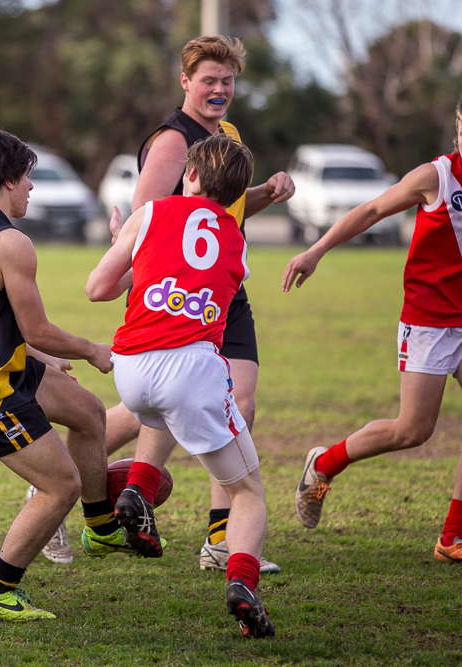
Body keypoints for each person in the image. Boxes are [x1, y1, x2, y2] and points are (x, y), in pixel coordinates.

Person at [105, 34, 293, 574]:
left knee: (239, 406)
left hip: (225, 288)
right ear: (185, 82)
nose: (219, 89)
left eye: (227, 81)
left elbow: (219, 214)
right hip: (180, 296)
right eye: (208, 80)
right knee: (173, 398)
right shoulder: (171, 142)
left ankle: (219, 540)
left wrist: (267, 193)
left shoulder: (227, 134)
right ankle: (72, 478)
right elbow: (149, 225)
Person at [0, 129, 136, 622]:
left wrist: (38, 359)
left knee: (89, 413)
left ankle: (102, 527)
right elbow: (38, 328)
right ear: (7, 180)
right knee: (59, 486)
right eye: (27, 178)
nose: (31, 188)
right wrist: (92, 350)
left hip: (0, 363)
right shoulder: (11, 242)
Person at [87, 133, 274, 639]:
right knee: (248, 493)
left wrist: (126, 244)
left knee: (163, 410)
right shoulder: (237, 239)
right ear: (238, 192)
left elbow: (97, 289)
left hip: (130, 365)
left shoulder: (149, 214)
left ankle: (137, 490)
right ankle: (242, 583)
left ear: (190, 174)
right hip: (189, 369)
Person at [284, 94, 462, 564]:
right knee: (413, 430)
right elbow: (369, 212)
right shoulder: (435, 177)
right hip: (429, 321)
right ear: (458, 128)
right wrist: (315, 251)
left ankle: (452, 536)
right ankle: (324, 464)